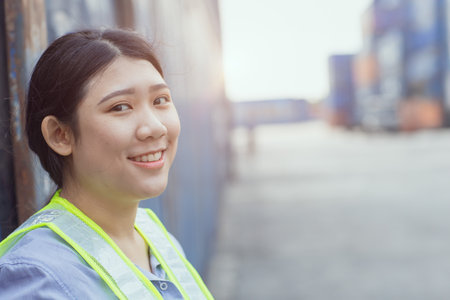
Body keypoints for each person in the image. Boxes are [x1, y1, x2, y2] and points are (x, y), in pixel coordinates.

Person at [0, 28, 213, 299]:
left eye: (160, 100)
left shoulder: (156, 238)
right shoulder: (38, 278)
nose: (155, 127)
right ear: (60, 135)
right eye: (120, 107)